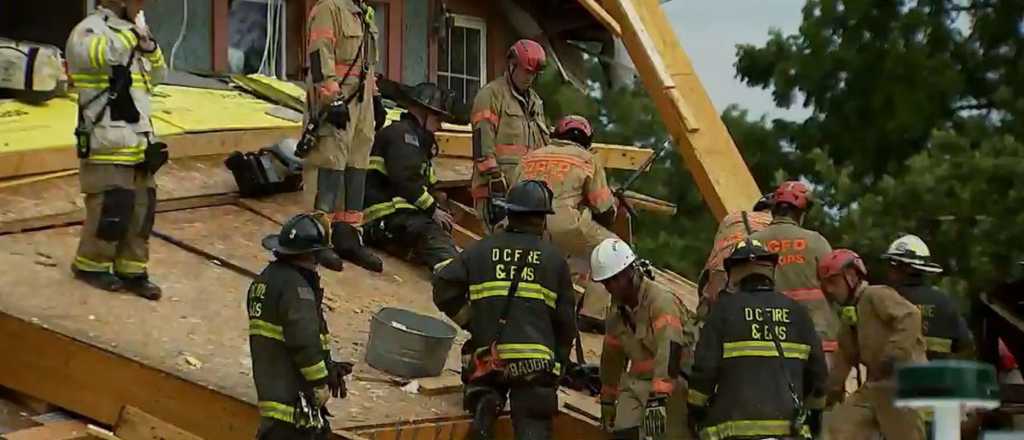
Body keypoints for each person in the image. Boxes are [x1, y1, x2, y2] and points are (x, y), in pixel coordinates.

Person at [432, 180, 576, 440]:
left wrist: (473, 322)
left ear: (508, 213)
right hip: (535, 362)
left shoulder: (480, 250)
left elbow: (443, 285)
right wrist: (558, 366)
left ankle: (485, 403)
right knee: (533, 424)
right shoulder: (554, 260)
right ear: (543, 219)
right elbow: (566, 324)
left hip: (491, 355)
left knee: (484, 385)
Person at [66, 0, 168, 300]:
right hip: (106, 136)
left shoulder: (133, 33)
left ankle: (132, 269)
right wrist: (131, 35)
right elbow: (101, 56)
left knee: (142, 207)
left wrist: (149, 46)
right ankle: (91, 265)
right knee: (112, 205)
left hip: (138, 139)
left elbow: (159, 75)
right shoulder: (88, 30)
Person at [688, 239, 827, 440]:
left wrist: (695, 408)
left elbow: (705, 369)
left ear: (734, 273)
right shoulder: (798, 313)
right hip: (790, 432)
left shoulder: (723, 311)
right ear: (769, 270)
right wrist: (814, 415)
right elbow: (819, 374)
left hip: (734, 432)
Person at [248, 213, 353, 439]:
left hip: (276, 399)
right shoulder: (298, 289)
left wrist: (328, 365)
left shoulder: (266, 280)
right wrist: (319, 382)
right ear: (310, 254)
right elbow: (303, 340)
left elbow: (291, 336)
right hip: (292, 406)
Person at [302, 0, 387, 273]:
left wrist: (375, 98)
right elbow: (319, 54)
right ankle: (318, 235)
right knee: (330, 160)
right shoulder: (329, 8)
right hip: (338, 98)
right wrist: (330, 97)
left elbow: (367, 64)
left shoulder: (364, 14)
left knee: (357, 161)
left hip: (361, 101)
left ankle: (348, 232)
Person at [514, 114, 617, 330]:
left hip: (524, 223)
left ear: (556, 135)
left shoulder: (531, 157)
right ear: (587, 140)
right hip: (563, 225)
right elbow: (603, 208)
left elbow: (512, 192)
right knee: (611, 250)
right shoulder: (588, 160)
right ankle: (593, 314)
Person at [818, 249, 927, 440]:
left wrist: (894, 354)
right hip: (876, 386)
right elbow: (844, 358)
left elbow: (910, 316)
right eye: (825, 284)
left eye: (833, 282)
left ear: (851, 277)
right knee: (835, 428)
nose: (829, 290)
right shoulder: (849, 313)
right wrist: (827, 397)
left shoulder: (876, 294)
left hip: (903, 384)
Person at [593, 238, 694, 440]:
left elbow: (670, 349)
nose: (610, 287)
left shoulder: (660, 301)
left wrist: (659, 397)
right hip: (638, 384)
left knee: (670, 435)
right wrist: (607, 400)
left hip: (673, 381)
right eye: (606, 282)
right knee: (623, 431)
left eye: (615, 279)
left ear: (631, 271)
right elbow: (611, 358)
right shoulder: (616, 312)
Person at [361, 82, 458, 272]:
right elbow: (406, 179)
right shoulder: (403, 135)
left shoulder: (417, 142)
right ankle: (453, 276)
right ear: (422, 112)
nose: (439, 126)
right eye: (437, 118)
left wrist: (440, 200)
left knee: (434, 232)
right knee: (431, 234)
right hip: (386, 216)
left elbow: (425, 182)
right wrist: (432, 209)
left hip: (399, 219)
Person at [750, 181, 838, 357]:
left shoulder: (752, 242)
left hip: (767, 338)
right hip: (816, 336)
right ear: (801, 214)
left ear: (773, 210)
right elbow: (836, 285)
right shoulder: (816, 241)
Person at [470, 39, 550, 232]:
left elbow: (542, 144)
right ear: (512, 65)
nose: (529, 78)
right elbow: (482, 144)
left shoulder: (536, 103)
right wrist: (494, 179)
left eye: (534, 74)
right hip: (496, 193)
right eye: (526, 71)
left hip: (528, 197)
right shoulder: (491, 95)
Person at [882, 234, 975, 360]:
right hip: (938, 377)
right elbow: (965, 344)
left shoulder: (884, 300)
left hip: (896, 377)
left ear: (904, 267)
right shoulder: (944, 301)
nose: (888, 270)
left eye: (891, 264)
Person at [697, 194, 774, 317]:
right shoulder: (775, 225)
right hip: (754, 291)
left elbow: (711, 262)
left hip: (719, 282)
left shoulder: (730, 219)